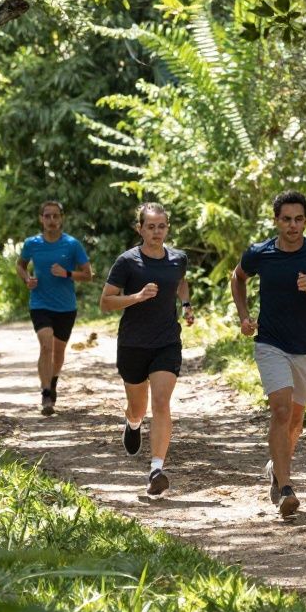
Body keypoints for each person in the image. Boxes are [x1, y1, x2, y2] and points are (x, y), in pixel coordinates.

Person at [231, 190, 306, 517]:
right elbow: (237, 277)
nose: (293, 225)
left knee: (295, 421)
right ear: (276, 221)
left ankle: (276, 470)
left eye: (299, 219)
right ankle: (285, 488)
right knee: (281, 411)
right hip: (270, 343)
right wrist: (243, 315)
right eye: (286, 219)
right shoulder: (260, 253)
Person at [100, 202, 195, 497]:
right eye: (150, 226)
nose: (156, 231)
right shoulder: (127, 262)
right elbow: (106, 302)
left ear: (167, 227)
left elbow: (180, 282)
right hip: (133, 343)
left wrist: (187, 305)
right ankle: (132, 422)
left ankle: (156, 469)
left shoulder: (178, 258)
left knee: (162, 403)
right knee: (139, 407)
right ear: (140, 229)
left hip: (167, 340)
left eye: (162, 226)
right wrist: (137, 297)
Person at [17, 201, 93, 415]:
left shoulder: (72, 245)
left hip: (66, 307)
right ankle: (46, 393)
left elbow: (88, 275)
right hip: (40, 303)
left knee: (58, 351)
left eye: (55, 216)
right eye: (47, 216)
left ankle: (53, 381)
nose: (51, 220)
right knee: (46, 345)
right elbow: (20, 265)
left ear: (61, 219)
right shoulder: (32, 244)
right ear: (41, 219)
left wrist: (67, 273)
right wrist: (27, 279)